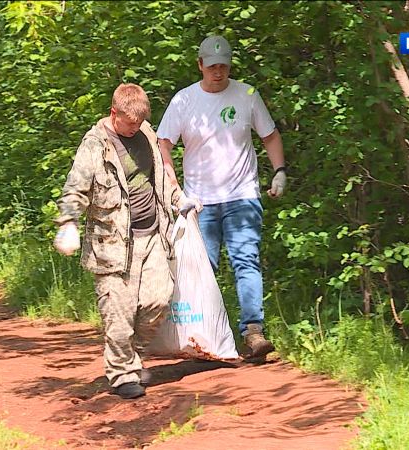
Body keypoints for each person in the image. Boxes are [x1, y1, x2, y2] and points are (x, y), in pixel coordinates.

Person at [53, 83, 201, 399]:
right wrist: (68, 223)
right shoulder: (95, 145)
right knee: (118, 316)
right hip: (112, 245)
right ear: (114, 113)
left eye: (139, 122)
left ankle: (129, 357)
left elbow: (160, 176)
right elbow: (74, 189)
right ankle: (122, 375)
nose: (134, 128)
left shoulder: (145, 132)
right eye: (129, 123)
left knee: (159, 299)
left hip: (152, 237)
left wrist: (178, 199)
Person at [156, 35, 287, 361]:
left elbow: (270, 136)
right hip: (199, 201)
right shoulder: (184, 101)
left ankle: (253, 333)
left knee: (246, 261)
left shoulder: (247, 95)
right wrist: (173, 186)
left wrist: (280, 171)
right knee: (202, 269)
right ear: (200, 65)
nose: (218, 72)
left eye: (223, 66)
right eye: (212, 66)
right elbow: (163, 144)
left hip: (243, 195)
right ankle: (202, 338)